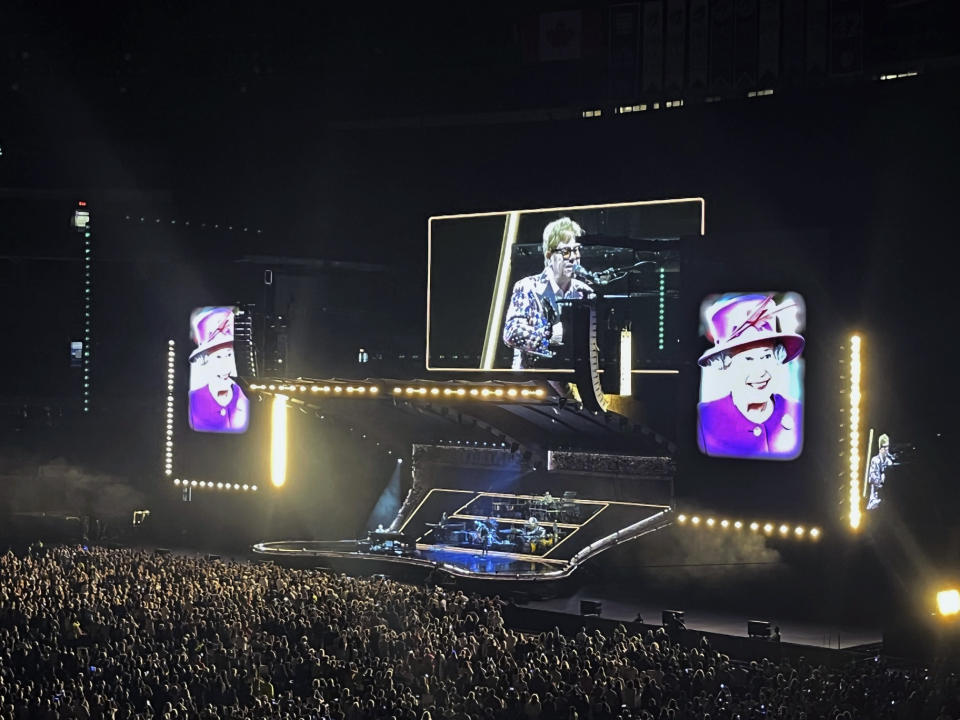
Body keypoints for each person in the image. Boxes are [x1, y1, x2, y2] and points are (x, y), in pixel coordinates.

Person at [697, 294, 805, 460]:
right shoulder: (702, 420)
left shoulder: (798, 413)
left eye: (767, 356)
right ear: (725, 364)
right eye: (748, 359)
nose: (761, 371)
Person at [502, 217, 595, 369]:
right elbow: (511, 333)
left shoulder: (585, 292)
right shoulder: (528, 287)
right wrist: (548, 336)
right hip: (533, 382)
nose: (573, 257)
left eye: (576, 250)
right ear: (549, 255)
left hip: (573, 381)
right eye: (566, 251)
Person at [188, 307, 250, 433]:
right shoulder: (194, 401)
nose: (225, 364)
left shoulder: (245, 398)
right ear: (204, 360)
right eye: (218, 357)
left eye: (228, 355)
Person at [867, 433, 894, 510]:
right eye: (885, 447)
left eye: (888, 447)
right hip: (875, 499)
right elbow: (871, 478)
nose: (887, 449)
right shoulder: (875, 460)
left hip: (886, 498)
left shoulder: (889, 462)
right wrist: (880, 481)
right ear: (880, 448)